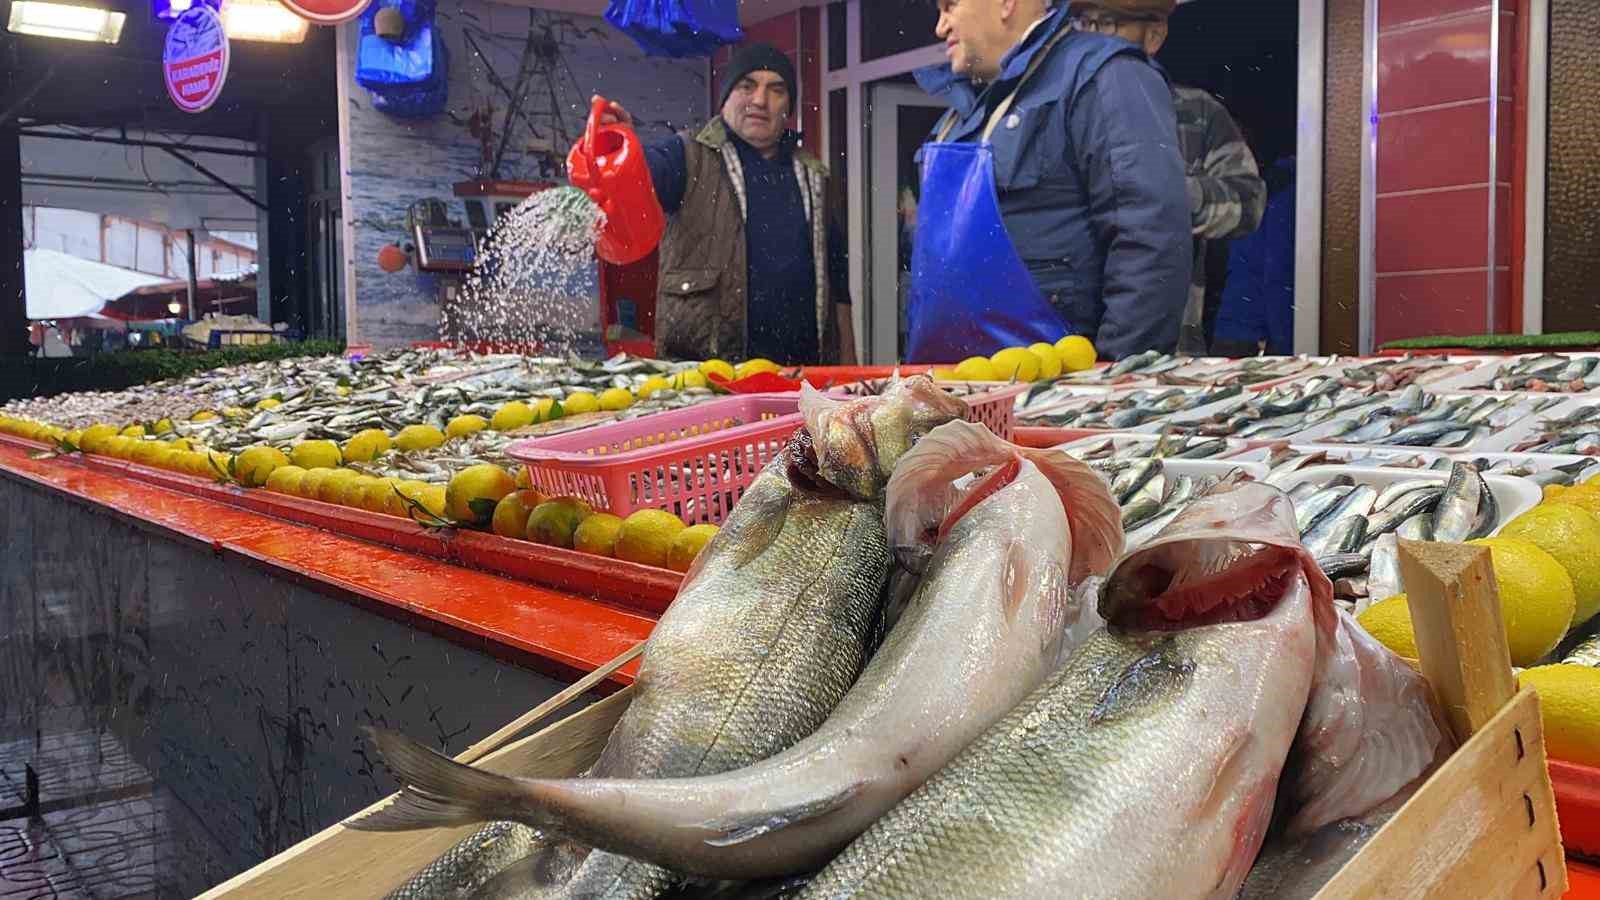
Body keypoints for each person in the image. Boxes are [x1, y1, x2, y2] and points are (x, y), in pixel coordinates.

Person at [906, 0, 1191, 363]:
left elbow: (1152, 238)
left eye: (950, 5)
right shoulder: (958, 117)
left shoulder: (1103, 75)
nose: (940, 27)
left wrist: (1112, 378)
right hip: (950, 385)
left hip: (1054, 387)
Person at [593, 44, 855, 366]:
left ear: (788, 107)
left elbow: (838, 284)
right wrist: (618, 148)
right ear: (726, 98)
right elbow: (634, 182)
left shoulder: (815, 177)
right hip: (709, 376)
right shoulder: (686, 156)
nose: (760, 100)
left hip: (803, 377)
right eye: (747, 86)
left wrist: (850, 364)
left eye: (776, 90)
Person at [1067, 0, 1268, 355]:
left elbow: (1249, 203)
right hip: (1058, 338)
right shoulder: (1059, 109)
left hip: (1164, 341)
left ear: (1155, 35)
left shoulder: (1197, 113)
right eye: (1084, 23)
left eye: (1108, 23)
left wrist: (1163, 194)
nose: (1093, 37)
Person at [1214, 155, 1297, 356]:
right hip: (1252, 333)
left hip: (1238, 327)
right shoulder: (1288, 190)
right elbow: (1276, 274)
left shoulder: (1263, 189)